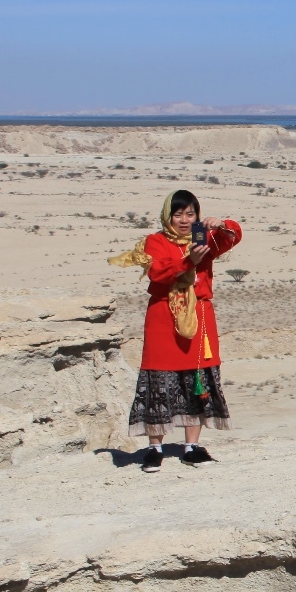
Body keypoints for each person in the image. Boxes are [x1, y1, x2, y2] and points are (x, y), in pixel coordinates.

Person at [109, 189, 242, 471]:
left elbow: (234, 237)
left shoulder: (204, 238)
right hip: (164, 317)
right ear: (168, 215)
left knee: (197, 378)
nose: (184, 220)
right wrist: (188, 262)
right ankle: (155, 448)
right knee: (158, 377)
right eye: (178, 214)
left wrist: (222, 225)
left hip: (200, 316)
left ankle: (191, 447)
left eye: (190, 214)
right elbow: (159, 272)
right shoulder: (153, 242)